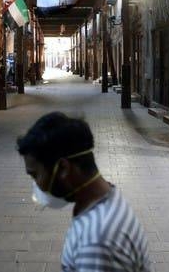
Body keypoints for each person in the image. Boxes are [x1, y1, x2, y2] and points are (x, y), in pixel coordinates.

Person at [17, 112, 152, 271]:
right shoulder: (107, 197)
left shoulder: (96, 242)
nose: (36, 184)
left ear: (62, 168)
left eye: (35, 175)